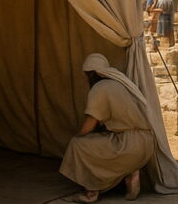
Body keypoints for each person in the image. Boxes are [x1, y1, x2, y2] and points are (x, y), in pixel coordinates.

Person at [60, 54, 157, 203]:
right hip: (147, 144)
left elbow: (89, 124)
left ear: (91, 73)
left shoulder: (100, 88)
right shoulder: (120, 83)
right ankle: (131, 171)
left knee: (79, 145)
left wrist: (78, 136)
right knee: (101, 140)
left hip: (129, 145)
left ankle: (91, 192)